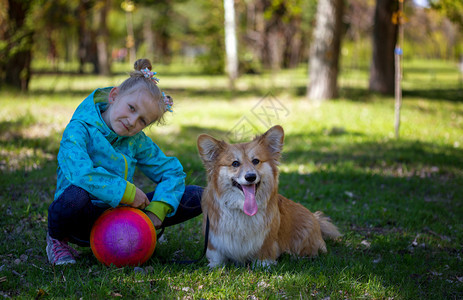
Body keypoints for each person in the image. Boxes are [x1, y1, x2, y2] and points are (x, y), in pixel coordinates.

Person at [46, 58, 203, 265]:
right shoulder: (79, 129)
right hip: (81, 218)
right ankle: (57, 239)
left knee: (197, 195)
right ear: (114, 96)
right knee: (76, 195)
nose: (132, 121)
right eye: (131, 108)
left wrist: (157, 209)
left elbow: (171, 171)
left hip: (118, 217)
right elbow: (80, 171)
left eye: (142, 121)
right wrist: (126, 192)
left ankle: (139, 232)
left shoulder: (136, 140)